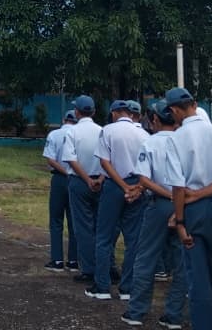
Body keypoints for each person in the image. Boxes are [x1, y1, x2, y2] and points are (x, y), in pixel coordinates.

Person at [162, 86, 212, 330]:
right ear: (194, 103)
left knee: (197, 275)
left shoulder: (176, 139)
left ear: (174, 110)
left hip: (191, 210)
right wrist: (205, 193)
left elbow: (177, 185)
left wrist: (180, 221)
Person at [122, 101, 188, 329]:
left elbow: (144, 179)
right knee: (182, 262)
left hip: (160, 204)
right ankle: (173, 315)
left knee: (146, 258)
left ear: (156, 120)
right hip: (186, 204)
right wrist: (178, 197)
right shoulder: (184, 141)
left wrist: (169, 195)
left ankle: (136, 312)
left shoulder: (150, 143)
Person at [90, 99, 148, 301]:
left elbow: (104, 162)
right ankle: (127, 288)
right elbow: (147, 167)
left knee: (104, 236)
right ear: (130, 114)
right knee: (133, 239)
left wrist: (122, 186)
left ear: (115, 113)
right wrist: (137, 188)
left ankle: (102, 286)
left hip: (115, 185)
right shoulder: (144, 134)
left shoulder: (108, 130)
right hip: (137, 186)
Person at [60, 95, 103, 285]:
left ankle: (88, 268)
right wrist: (99, 179)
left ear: (77, 112)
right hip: (102, 182)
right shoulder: (102, 131)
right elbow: (107, 159)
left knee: (83, 226)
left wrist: (86, 179)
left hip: (79, 181)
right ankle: (105, 266)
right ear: (93, 112)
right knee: (102, 226)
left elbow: (70, 158)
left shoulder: (72, 132)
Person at [42, 110, 79, 272]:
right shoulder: (80, 134)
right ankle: (73, 260)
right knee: (74, 221)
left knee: (56, 220)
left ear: (64, 119)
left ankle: (57, 260)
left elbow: (50, 159)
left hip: (59, 179)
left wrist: (65, 172)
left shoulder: (54, 134)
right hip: (77, 178)